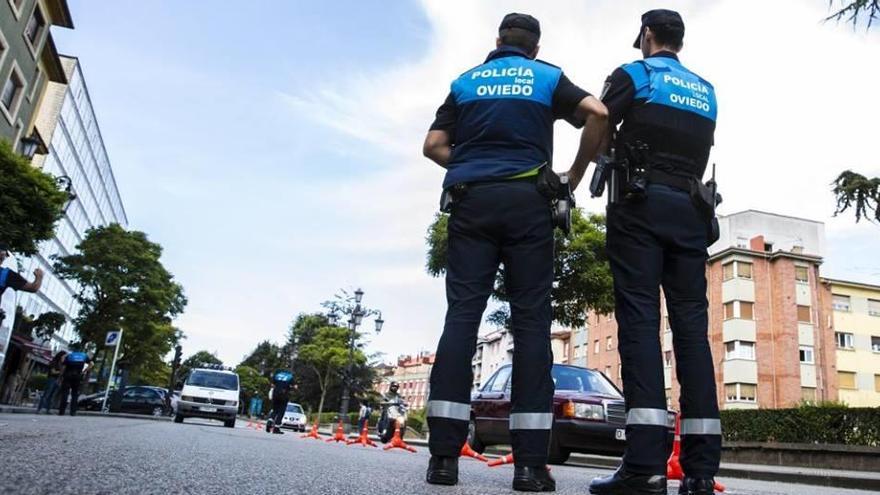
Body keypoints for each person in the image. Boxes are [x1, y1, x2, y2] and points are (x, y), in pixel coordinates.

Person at [422, 12, 608, 492]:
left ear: (497, 40)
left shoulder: (467, 82)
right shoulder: (546, 78)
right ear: (535, 48)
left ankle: (442, 459)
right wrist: (572, 175)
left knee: (462, 317)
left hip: (472, 202)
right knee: (530, 324)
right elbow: (599, 114)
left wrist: (470, 163)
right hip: (528, 203)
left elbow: (433, 145)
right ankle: (529, 466)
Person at [586, 10, 721, 495]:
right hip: (691, 213)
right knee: (691, 333)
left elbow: (599, 118)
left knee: (641, 324)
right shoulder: (705, 90)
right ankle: (702, 471)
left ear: (647, 35)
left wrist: (598, 160)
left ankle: (644, 466)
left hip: (641, 208)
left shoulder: (634, 75)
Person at [58, 348, 92, 416]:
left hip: (67, 376)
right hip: (78, 376)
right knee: (75, 394)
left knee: (65, 394)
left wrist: (61, 375)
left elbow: (63, 363)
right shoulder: (84, 356)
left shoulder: (70, 355)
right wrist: (84, 371)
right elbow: (91, 363)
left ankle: (62, 411)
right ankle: (73, 412)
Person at [266, 368, 293, 434]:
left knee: (274, 410)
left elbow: (272, 385)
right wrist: (290, 388)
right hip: (284, 395)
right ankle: (276, 428)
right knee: (281, 412)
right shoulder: (290, 377)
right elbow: (295, 386)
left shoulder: (277, 375)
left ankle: (269, 422)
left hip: (275, 394)